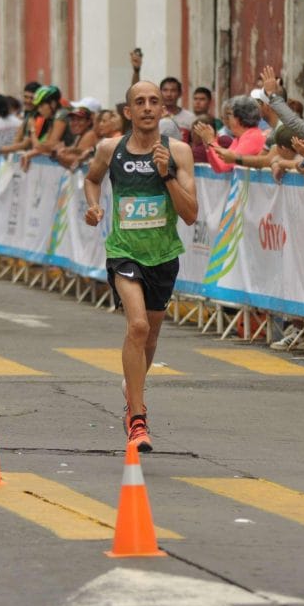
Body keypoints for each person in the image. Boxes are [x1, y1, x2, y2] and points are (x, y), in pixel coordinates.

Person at [84, 80, 198, 452]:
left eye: (154, 101)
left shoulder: (178, 152)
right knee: (136, 326)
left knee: (150, 337)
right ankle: (137, 417)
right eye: (140, 102)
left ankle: (132, 389)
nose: (148, 107)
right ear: (128, 112)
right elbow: (92, 179)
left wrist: (166, 175)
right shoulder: (109, 148)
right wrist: (94, 205)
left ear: (163, 111)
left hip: (163, 255)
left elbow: (190, 214)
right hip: (124, 251)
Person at [192, 95, 266, 173]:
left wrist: (211, 141)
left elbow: (224, 166)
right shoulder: (239, 138)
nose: (227, 119)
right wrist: (208, 145)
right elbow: (218, 168)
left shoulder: (253, 137)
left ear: (239, 117)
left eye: (229, 114)